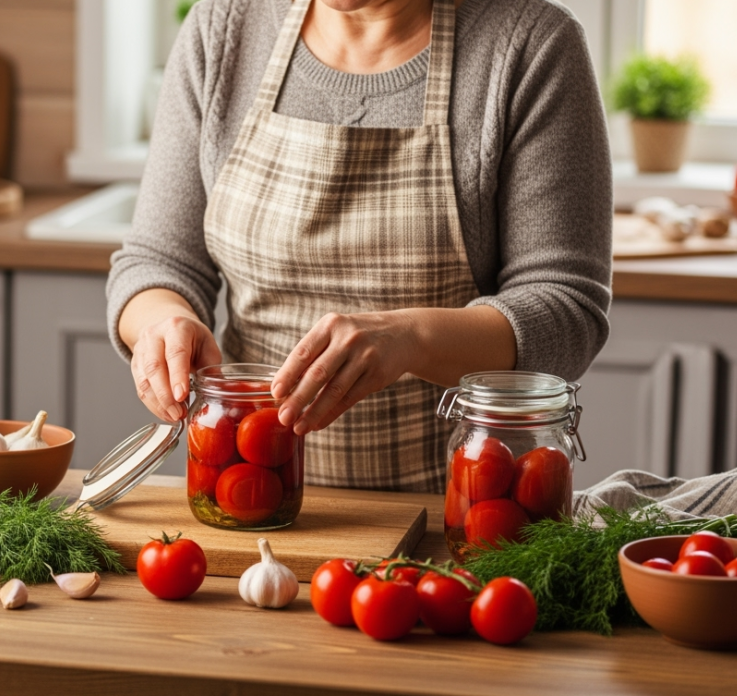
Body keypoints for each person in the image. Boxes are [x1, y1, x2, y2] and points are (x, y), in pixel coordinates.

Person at [106, 0, 612, 492]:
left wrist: (410, 338)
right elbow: (158, 260)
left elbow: (566, 310)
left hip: (463, 508)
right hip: (248, 492)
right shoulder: (223, 27)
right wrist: (162, 324)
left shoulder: (530, 44)